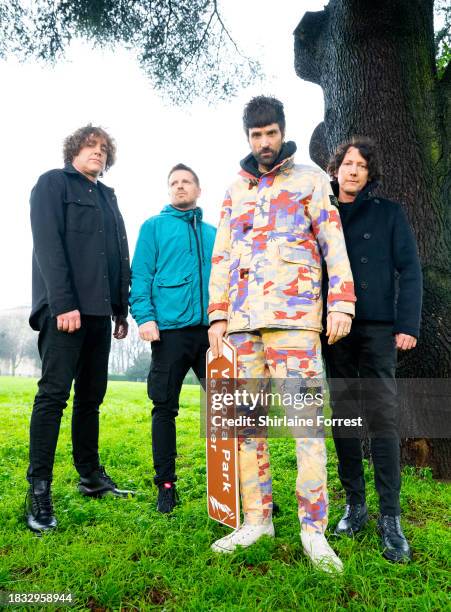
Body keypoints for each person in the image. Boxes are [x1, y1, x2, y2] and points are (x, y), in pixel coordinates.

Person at [207, 96, 356, 572]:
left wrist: (342, 303)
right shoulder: (234, 189)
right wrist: (217, 316)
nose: (265, 142)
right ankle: (257, 519)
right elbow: (222, 255)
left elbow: (333, 243)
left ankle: (314, 530)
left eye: (271, 133)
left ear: (282, 131)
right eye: (256, 135)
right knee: (246, 427)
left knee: (306, 427)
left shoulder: (312, 179)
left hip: (295, 323)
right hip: (244, 325)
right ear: (247, 137)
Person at [27, 124, 134, 534]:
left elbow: (118, 254)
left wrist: (120, 311)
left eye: (105, 149)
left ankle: (90, 477)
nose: (99, 153)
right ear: (74, 149)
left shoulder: (108, 196)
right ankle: (38, 491)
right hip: (65, 312)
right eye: (92, 146)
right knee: (53, 397)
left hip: (99, 314)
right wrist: (64, 303)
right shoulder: (53, 184)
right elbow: (48, 245)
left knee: (91, 398)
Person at [323, 137, 422, 562]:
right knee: (344, 417)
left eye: (361, 165)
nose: (353, 170)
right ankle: (355, 505)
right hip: (334, 331)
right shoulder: (321, 214)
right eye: (347, 162)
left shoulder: (389, 214)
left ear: (369, 174)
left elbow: (411, 269)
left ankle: (391, 517)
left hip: (380, 329)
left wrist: (407, 324)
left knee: (382, 418)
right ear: (336, 168)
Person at [130, 163, 216, 513]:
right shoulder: (153, 227)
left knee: (228, 411)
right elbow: (140, 275)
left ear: (198, 189)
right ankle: (166, 486)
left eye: (186, 182)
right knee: (164, 408)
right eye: (174, 183)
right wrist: (146, 318)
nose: (180, 187)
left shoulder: (214, 232)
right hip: (169, 334)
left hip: (213, 333)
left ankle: (247, 487)